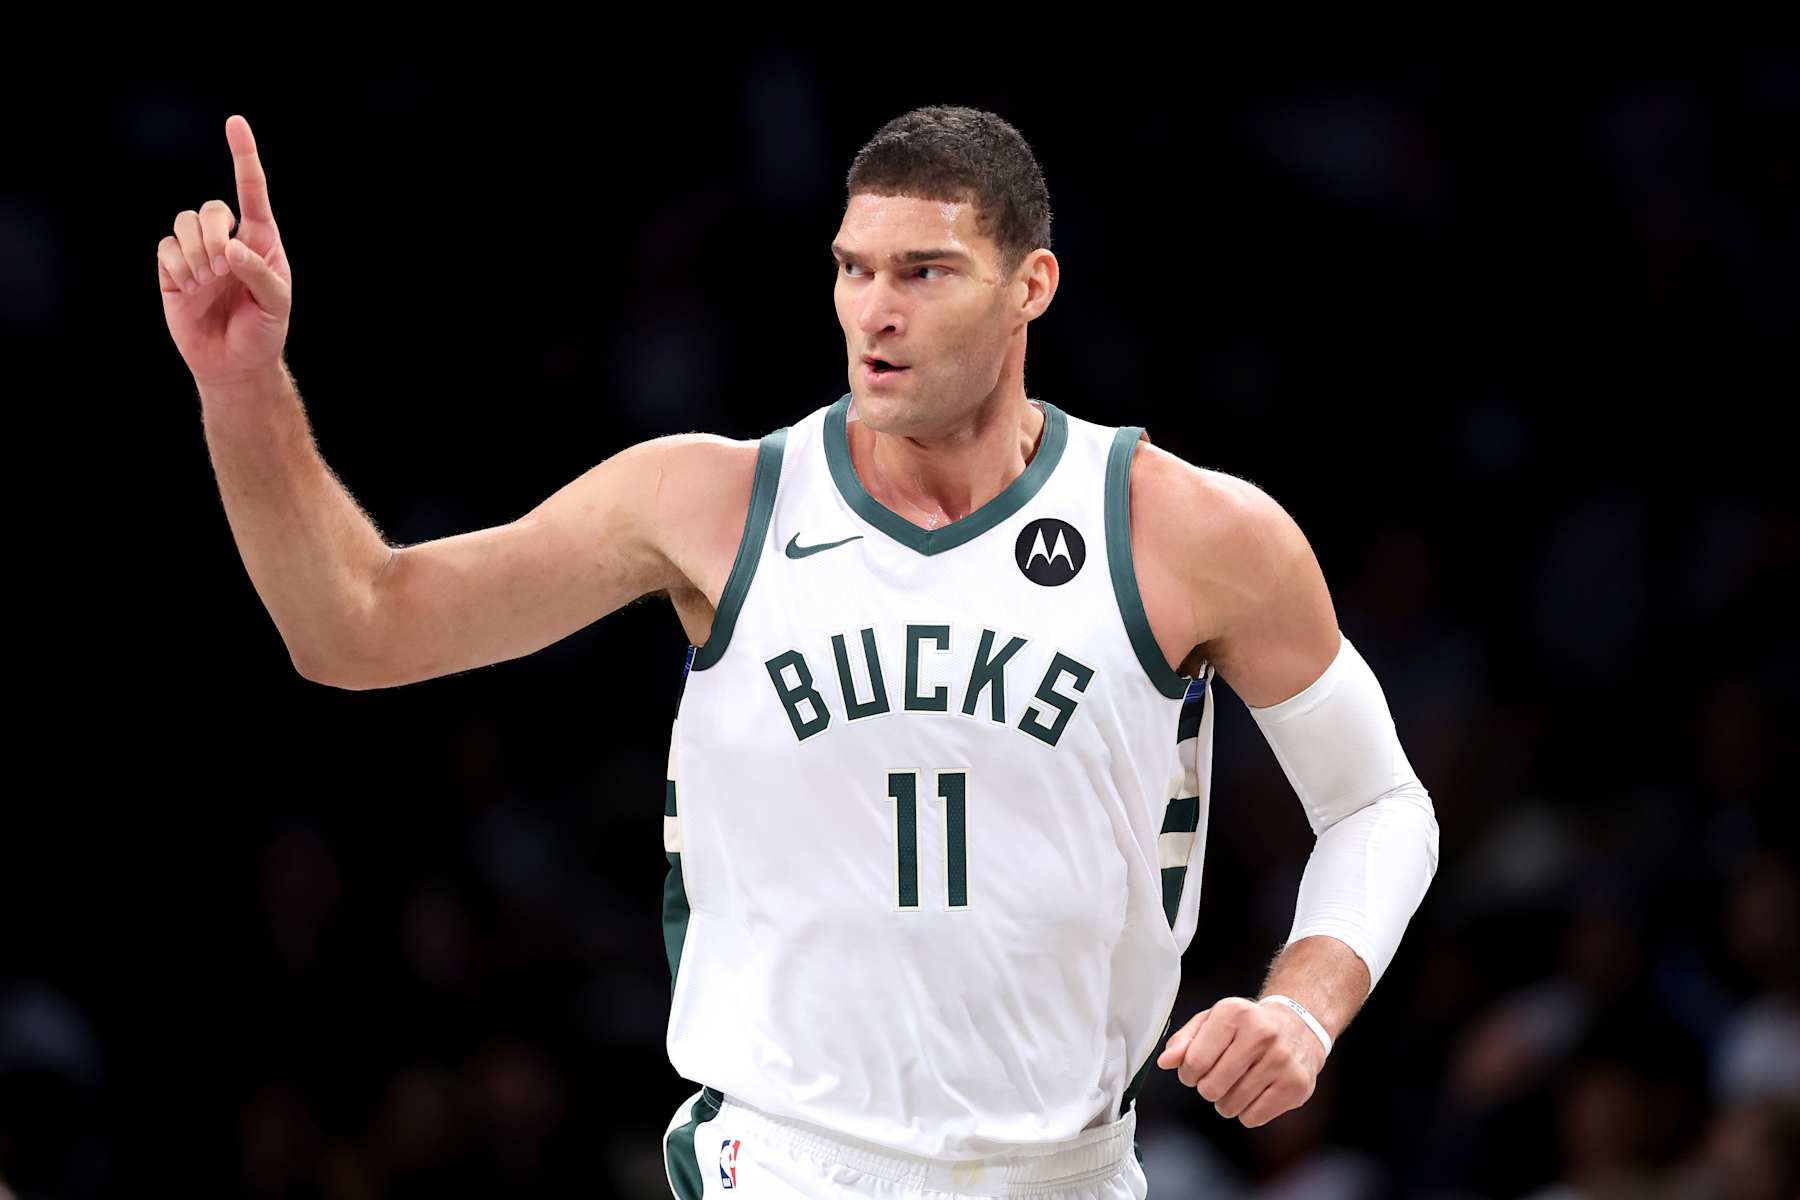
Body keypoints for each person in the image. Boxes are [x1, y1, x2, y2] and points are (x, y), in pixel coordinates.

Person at [159, 104, 1440, 1199]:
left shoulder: (1187, 529)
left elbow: (1380, 804)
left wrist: (1304, 1006)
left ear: (1031, 287)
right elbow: (358, 627)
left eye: (925, 272)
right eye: (853, 268)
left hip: (1069, 1169)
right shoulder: (711, 503)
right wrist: (243, 390)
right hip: (782, 1163)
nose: (875, 311)